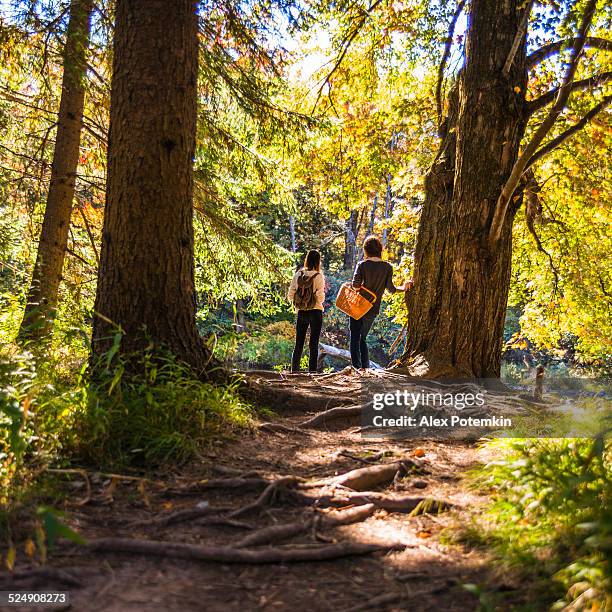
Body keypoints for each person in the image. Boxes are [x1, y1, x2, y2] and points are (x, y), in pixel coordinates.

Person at [350, 235, 411, 370]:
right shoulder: (387, 267)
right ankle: (365, 368)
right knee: (362, 338)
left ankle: (356, 368)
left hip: (358, 305)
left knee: (355, 337)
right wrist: (404, 287)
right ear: (379, 250)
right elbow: (391, 289)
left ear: (366, 249)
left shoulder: (362, 265)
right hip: (372, 308)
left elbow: (355, 286)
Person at [287, 250, 325, 373]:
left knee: (299, 343)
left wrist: (301, 301)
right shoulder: (318, 276)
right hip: (316, 312)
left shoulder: (298, 274)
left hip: (301, 311)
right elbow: (320, 298)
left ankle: (294, 371)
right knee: (313, 344)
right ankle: (312, 372)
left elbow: (290, 295)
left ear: (307, 259)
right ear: (318, 261)